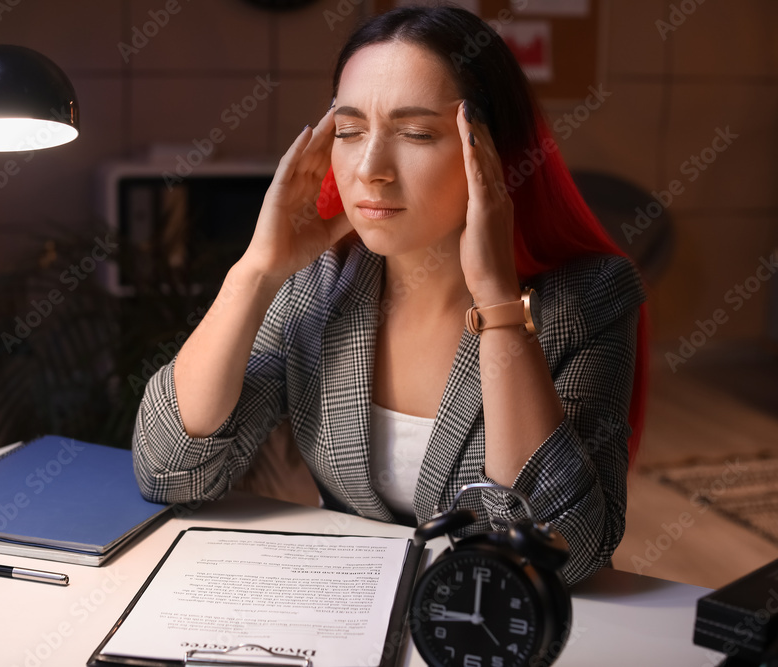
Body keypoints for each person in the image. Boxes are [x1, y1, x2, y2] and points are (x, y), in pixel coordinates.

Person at [132, 6, 648, 586]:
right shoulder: (319, 284)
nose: (371, 168)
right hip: (345, 612)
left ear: (494, 156)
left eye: (417, 134)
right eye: (349, 132)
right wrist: (255, 271)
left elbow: (565, 552)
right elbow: (169, 471)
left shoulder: (589, 296)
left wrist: (499, 300)